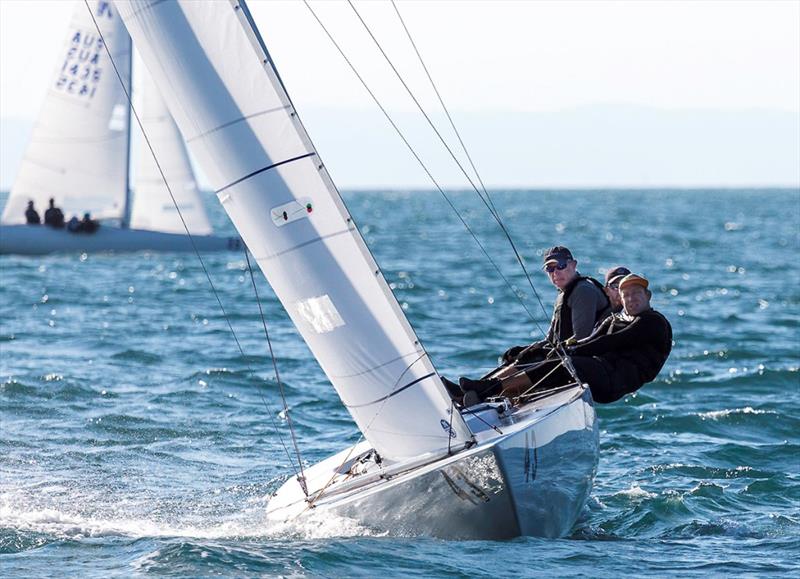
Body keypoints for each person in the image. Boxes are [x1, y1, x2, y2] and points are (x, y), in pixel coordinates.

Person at [458, 273, 672, 405]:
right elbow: (590, 339)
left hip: (614, 382)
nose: (631, 298)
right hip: (600, 369)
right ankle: (477, 390)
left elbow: (610, 342)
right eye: (626, 295)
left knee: (564, 363)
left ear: (648, 296)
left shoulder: (652, 322)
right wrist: (559, 348)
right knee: (542, 355)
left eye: (636, 293)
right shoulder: (616, 318)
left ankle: (488, 391)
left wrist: (569, 352)